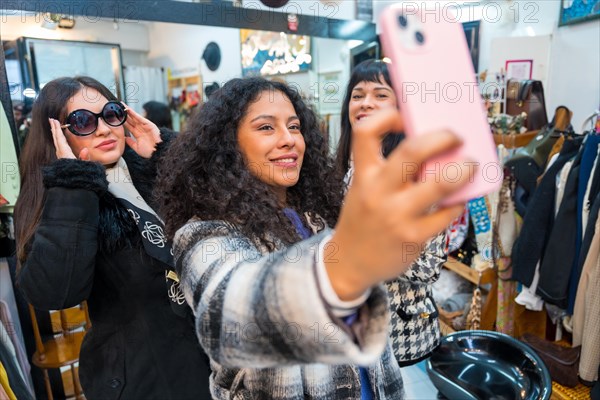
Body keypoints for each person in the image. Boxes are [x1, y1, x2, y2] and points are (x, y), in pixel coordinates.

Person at [156, 77, 472, 399]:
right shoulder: (204, 234)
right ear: (227, 144)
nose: (289, 140)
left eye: (294, 127)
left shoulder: (317, 214)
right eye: (266, 128)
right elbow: (236, 307)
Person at [14, 76, 211, 399]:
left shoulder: (148, 170)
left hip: (206, 358)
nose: (104, 128)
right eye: (82, 122)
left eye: (110, 113)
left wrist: (167, 154)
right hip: (142, 376)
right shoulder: (61, 197)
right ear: (57, 136)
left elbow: (222, 219)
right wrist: (74, 183)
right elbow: (54, 292)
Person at [335, 59, 447, 367]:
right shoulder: (349, 163)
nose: (365, 104)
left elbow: (428, 268)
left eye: (380, 95)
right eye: (357, 95)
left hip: (402, 333)